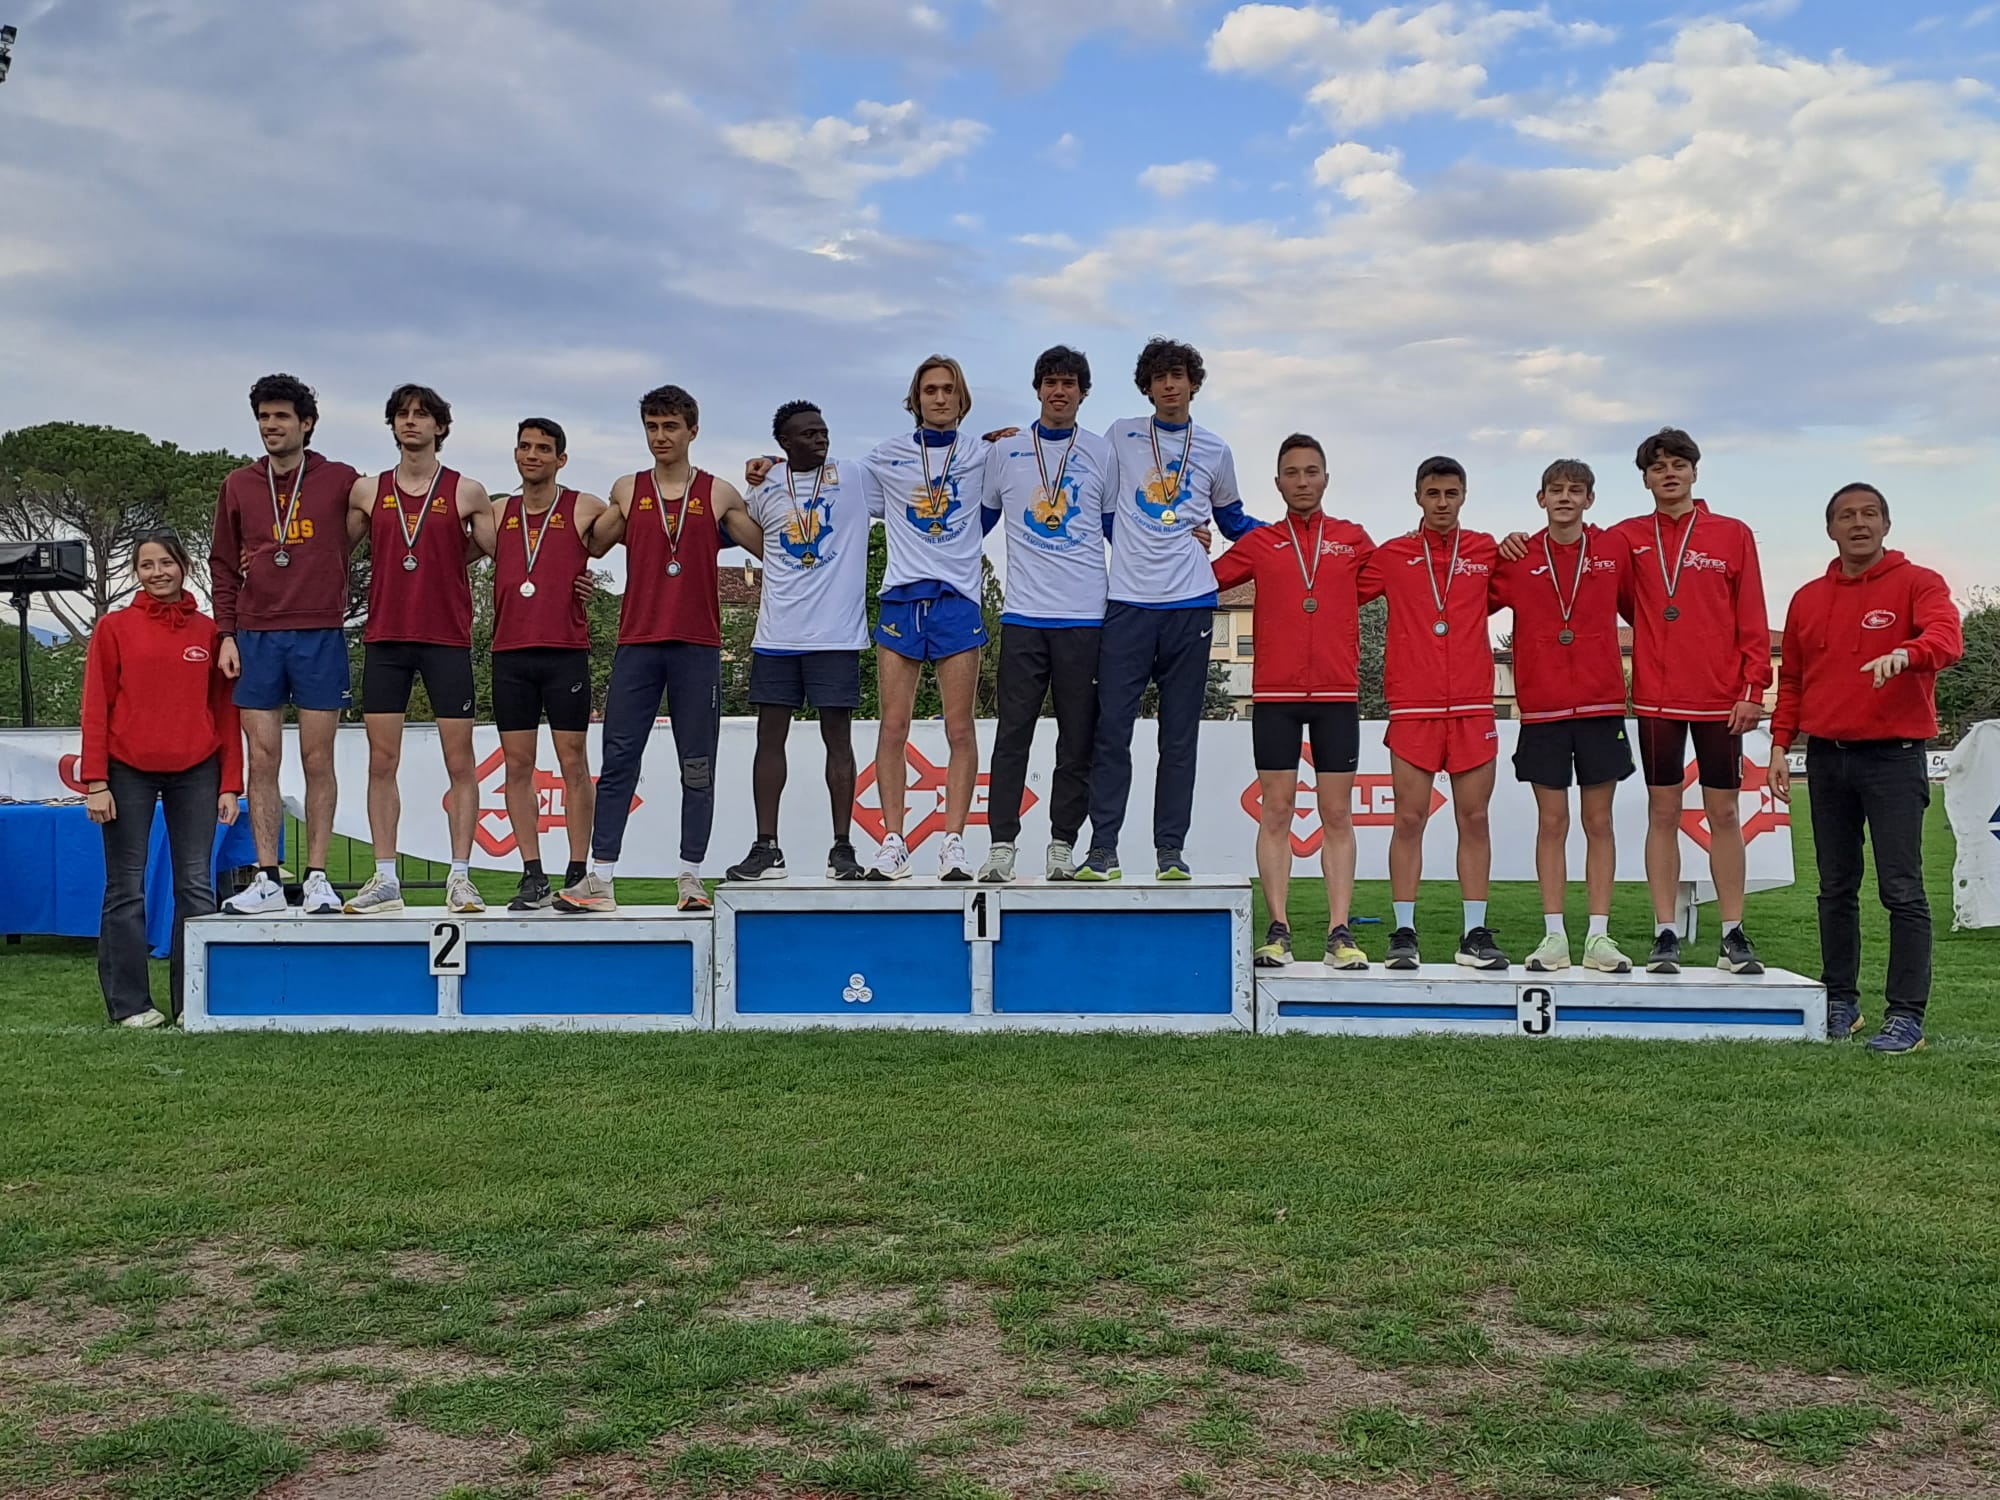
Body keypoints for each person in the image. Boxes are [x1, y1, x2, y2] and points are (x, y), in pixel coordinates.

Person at [1770, 483, 1962, 1054]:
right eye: (1847, 515)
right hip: (1827, 759)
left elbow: (1947, 638)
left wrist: (1908, 653)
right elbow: (1793, 681)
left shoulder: (1919, 583)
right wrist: (1780, 744)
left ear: (1886, 524)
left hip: (1894, 758)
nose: (1859, 523)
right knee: (1835, 888)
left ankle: (1905, 1016)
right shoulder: (1807, 599)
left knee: (1902, 889)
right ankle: (1840, 1002)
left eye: (1870, 513)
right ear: (1830, 529)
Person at [555, 384, 761, 914]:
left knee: (697, 764)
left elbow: (768, 544)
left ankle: (691, 877)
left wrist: (775, 484)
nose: (661, 436)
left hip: (696, 646)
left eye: (671, 426)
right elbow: (589, 544)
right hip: (638, 643)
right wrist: (578, 577)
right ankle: (601, 880)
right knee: (619, 760)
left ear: (693, 431)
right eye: (652, 426)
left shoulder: (718, 493)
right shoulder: (628, 489)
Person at [1076, 337, 1261, 882]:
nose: (1169, 385)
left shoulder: (1215, 449)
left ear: (1194, 383)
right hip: (1129, 604)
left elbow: (1233, 522)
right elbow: (1093, 494)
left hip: (1190, 605)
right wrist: (1140, 543)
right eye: (1159, 377)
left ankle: (1170, 853)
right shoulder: (1120, 434)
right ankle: (1103, 850)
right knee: (1112, 731)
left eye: (1178, 375)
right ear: (1147, 387)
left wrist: (1287, 536)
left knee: (1178, 737)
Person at [1210, 434, 1373, 969]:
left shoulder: (1352, 540)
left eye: (1311, 471)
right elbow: (1207, 580)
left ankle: (1339, 933)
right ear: (1278, 482)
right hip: (1275, 695)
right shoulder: (1261, 543)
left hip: (1337, 694)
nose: (1302, 481)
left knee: (1336, 814)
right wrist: (1182, 543)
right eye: (1292, 473)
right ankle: (1278, 930)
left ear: (1326, 478)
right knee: (1276, 811)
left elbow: (1394, 576)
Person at [341, 384, 496, 916]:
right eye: (402, 415)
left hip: (445, 639)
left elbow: (508, 554)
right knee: (381, 761)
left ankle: (460, 878)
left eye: (422, 415)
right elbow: (331, 551)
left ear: (440, 427)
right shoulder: (368, 491)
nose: (411, 422)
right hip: (386, 638)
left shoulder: (467, 491)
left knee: (461, 760)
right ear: (392, 425)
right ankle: (385, 877)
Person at [210, 374, 359, 917]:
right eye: (263, 417)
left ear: (306, 423)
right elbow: (222, 564)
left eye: (281, 417)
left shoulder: (340, 478)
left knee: (318, 757)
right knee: (263, 757)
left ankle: (317, 877)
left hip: (319, 631)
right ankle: (268, 877)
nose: (271, 426)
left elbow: (386, 519)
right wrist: (226, 633)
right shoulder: (239, 484)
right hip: (256, 634)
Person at [81, 532, 243, 1026]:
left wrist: (230, 783)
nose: (157, 573)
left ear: (184, 566)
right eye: (147, 565)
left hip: (197, 770)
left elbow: (225, 711)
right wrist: (95, 781)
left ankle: (193, 1002)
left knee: (195, 887)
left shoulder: (210, 632)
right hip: (125, 770)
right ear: (136, 572)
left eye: (166, 563)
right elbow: (95, 704)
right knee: (125, 888)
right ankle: (130, 1005)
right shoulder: (113, 628)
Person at [1357, 457, 1507, 971]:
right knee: (1408, 818)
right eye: (1433, 493)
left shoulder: (1486, 551)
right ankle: (1403, 931)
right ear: (1417, 496)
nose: (1442, 503)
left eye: (1451, 493)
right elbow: (1336, 590)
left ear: (1464, 495)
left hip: (1471, 705)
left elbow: (1531, 585)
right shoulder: (1393, 554)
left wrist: (1519, 544)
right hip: (1414, 706)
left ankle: (1474, 933)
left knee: (1476, 818)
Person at [976, 345, 1118, 883]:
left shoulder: (1102, 452)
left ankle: (1062, 844)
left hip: (1084, 618)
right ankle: (1002, 845)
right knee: (1012, 735)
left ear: (1083, 393)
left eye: (1069, 383)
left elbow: (1118, 531)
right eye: (1051, 382)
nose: (1060, 391)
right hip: (1023, 617)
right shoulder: (1005, 451)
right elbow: (976, 524)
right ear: (1037, 389)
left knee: (1077, 739)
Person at [854, 355, 995, 882]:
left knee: (960, 727)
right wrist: (774, 467)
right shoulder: (886, 455)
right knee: (893, 725)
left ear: (962, 398)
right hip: (901, 600)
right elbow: (834, 487)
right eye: (930, 390)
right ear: (915, 399)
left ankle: (953, 843)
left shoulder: (983, 454)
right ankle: (893, 842)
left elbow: (1006, 495)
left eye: (948, 389)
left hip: (957, 600)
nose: (939, 398)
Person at [1492, 460, 1635, 974]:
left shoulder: (1613, 550)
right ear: (1541, 498)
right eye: (1556, 490)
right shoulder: (1519, 556)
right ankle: (1554, 936)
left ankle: (1598, 936)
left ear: (1589, 499)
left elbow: (1643, 609)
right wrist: (1498, 548)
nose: (1565, 498)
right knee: (1551, 822)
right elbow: (1469, 604)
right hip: (1543, 709)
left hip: (1600, 705)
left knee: (1599, 821)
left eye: (1576, 490)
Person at [723, 400, 869, 883]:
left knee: (839, 741)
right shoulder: (765, 486)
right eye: (808, 434)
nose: (820, 439)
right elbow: (732, 526)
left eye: (823, 431)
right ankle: (766, 847)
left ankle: (842, 848)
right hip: (777, 635)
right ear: (785, 443)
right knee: (769, 740)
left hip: (836, 636)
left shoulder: (854, 477)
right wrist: (763, 465)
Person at [490, 418, 608, 911]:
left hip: (564, 652)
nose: (532, 455)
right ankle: (532, 874)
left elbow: (624, 532)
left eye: (543, 448)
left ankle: (578, 872)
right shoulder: (497, 512)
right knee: (517, 765)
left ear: (561, 459)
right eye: (524, 446)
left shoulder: (584, 506)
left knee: (573, 762)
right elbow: (448, 552)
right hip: (510, 652)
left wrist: (591, 579)